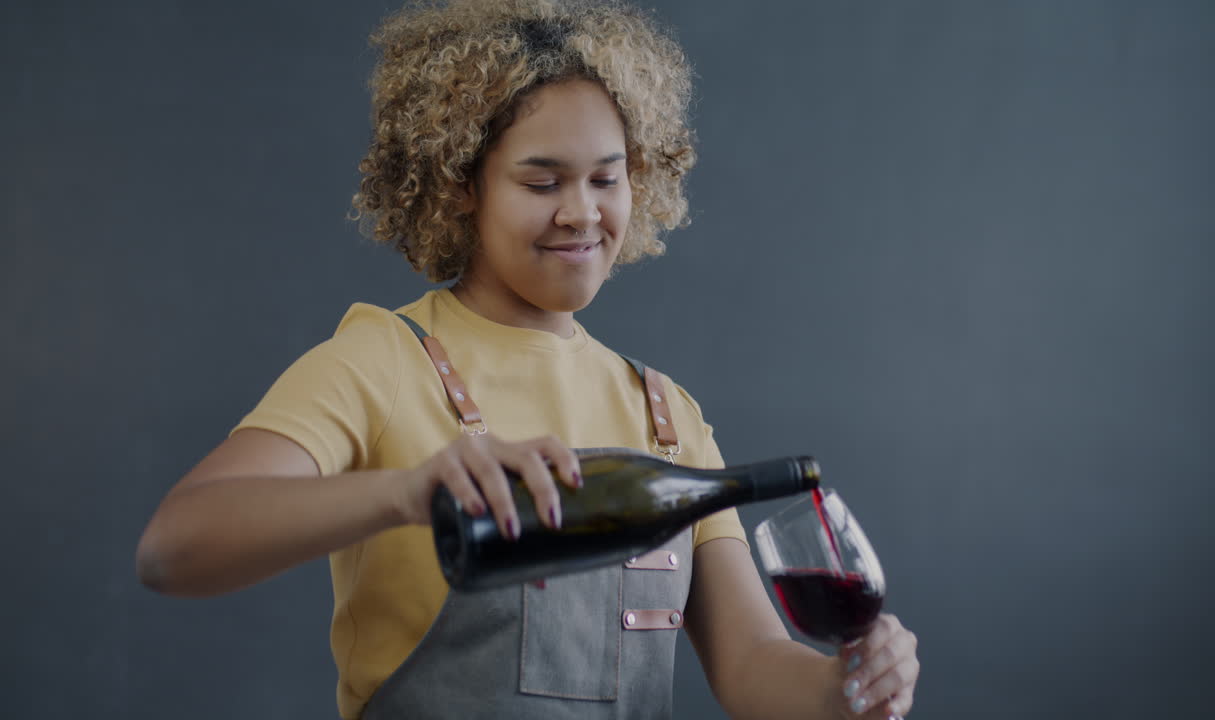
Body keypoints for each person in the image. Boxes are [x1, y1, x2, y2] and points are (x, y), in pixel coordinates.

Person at [135, 1, 921, 718]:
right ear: (461, 185)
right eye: (542, 180)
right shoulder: (380, 361)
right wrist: (408, 493)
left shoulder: (668, 417)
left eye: (606, 179)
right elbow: (174, 549)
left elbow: (752, 669)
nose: (581, 212)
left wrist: (845, 688)